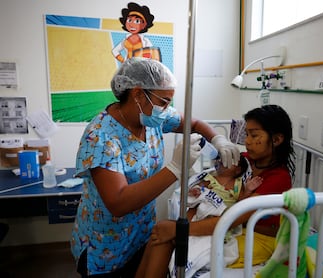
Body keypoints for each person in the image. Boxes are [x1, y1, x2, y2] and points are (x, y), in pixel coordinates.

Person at [70, 57, 240, 277]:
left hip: (140, 232)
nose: (167, 108)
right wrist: (175, 168)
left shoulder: (152, 116)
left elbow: (194, 123)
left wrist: (218, 139)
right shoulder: (100, 137)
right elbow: (118, 203)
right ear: (138, 94)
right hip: (105, 245)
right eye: (164, 101)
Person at [136, 104, 295, 277]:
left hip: (258, 237)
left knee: (169, 238)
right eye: (246, 134)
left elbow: (232, 217)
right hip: (233, 227)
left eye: (254, 135)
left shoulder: (277, 179)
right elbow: (217, 179)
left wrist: (179, 229)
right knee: (160, 232)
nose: (247, 141)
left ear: (277, 140)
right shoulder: (246, 161)